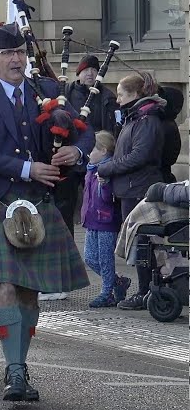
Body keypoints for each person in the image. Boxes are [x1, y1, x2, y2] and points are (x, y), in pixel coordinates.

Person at [0, 25, 93, 401]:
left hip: (38, 203)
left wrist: (76, 153)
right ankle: (14, 371)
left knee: (30, 291)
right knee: (4, 285)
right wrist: (26, 168)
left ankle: (20, 360)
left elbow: (85, 132)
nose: (18, 59)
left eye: (21, 52)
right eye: (9, 53)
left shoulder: (47, 92)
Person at [99, 72, 167, 310]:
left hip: (138, 187)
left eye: (121, 94)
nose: (117, 100)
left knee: (143, 242)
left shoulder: (146, 120)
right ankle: (148, 289)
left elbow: (138, 156)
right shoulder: (135, 118)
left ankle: (145, 291)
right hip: (130, 187)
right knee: (140, 243)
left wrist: (107, 168)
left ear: (135, 94)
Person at [57, 54, 119, 233]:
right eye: (86, 70)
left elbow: (113, 125)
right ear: (78, 73)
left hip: (97, 156)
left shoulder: (107, 96)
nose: (90, 74)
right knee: (65, 203)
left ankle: (96, 237)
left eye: (94, 70)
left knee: (97, 201)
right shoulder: (67, 92)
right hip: (70, 157)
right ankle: (66, 239)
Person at [82, 131, 126, 307]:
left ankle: (107, 292)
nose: (89, 152)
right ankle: (118, 282)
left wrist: (105, 185)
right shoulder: (91, 169)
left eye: (93, 148)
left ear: (103, 151)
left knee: (105, 259)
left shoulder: (107, 170)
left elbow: (108, 199)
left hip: (106, 221)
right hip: (92, 219)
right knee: (90, 258)